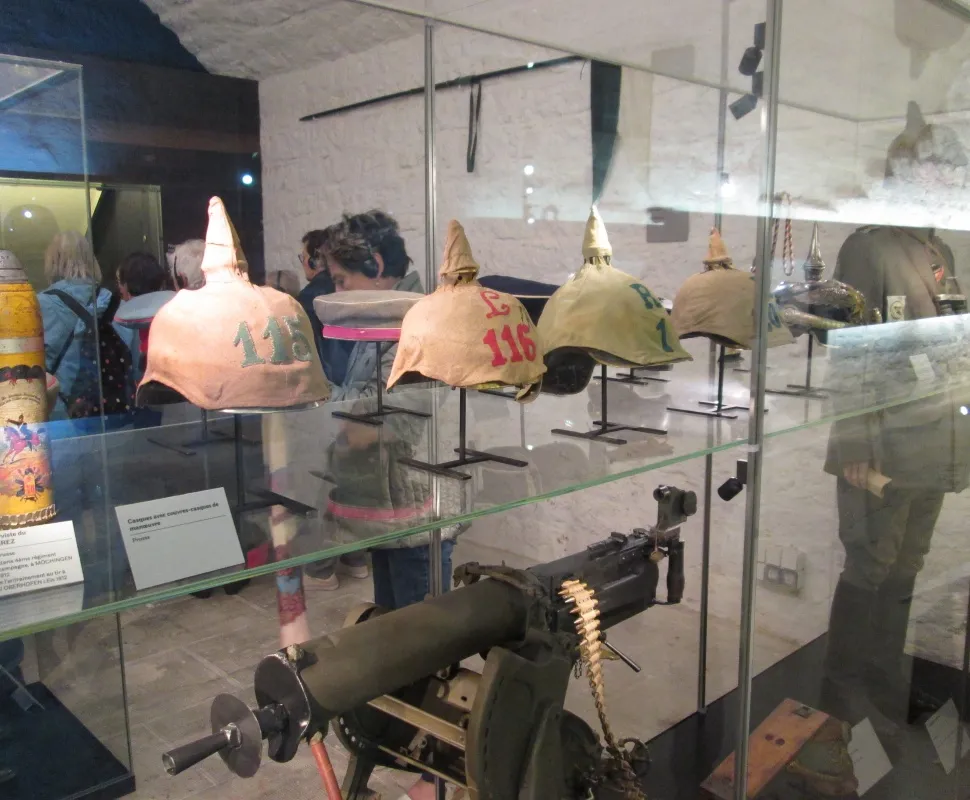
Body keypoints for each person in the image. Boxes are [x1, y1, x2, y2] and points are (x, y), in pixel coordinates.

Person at [821, 122, 970, 747]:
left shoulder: (940, 251)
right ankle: (840, 700)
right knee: (870, 566)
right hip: (884, 444)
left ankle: (884, 681)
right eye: (938, 170)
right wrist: (855, 445)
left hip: (932, 442)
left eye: (953, 171)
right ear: (906, 176)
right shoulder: (871, 247)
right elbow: (850, 348)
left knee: (908, 564)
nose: (951, 181)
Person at [319, 211, 458, 800]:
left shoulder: (417, 324)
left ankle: (437, 771)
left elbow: (384, 424)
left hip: (417, 507)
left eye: (342, 280)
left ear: (376, 266)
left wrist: (339, 418)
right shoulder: (378, 319)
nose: (337, 292)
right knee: (393, 638)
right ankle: (408, 746)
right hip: (384, 503)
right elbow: (356, 407)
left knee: (426, 645)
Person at [38, 231, 139, 427]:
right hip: (115, 416)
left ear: (52, 262)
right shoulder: (118, 304)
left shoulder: (38, 307)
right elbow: (133, 365)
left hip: (62, 419)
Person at [297, 229, 353, 385]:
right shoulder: (348, 287)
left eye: (303, 257)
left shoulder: (308, 296)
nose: (303, 263)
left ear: (314, 260)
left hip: (327, 380)